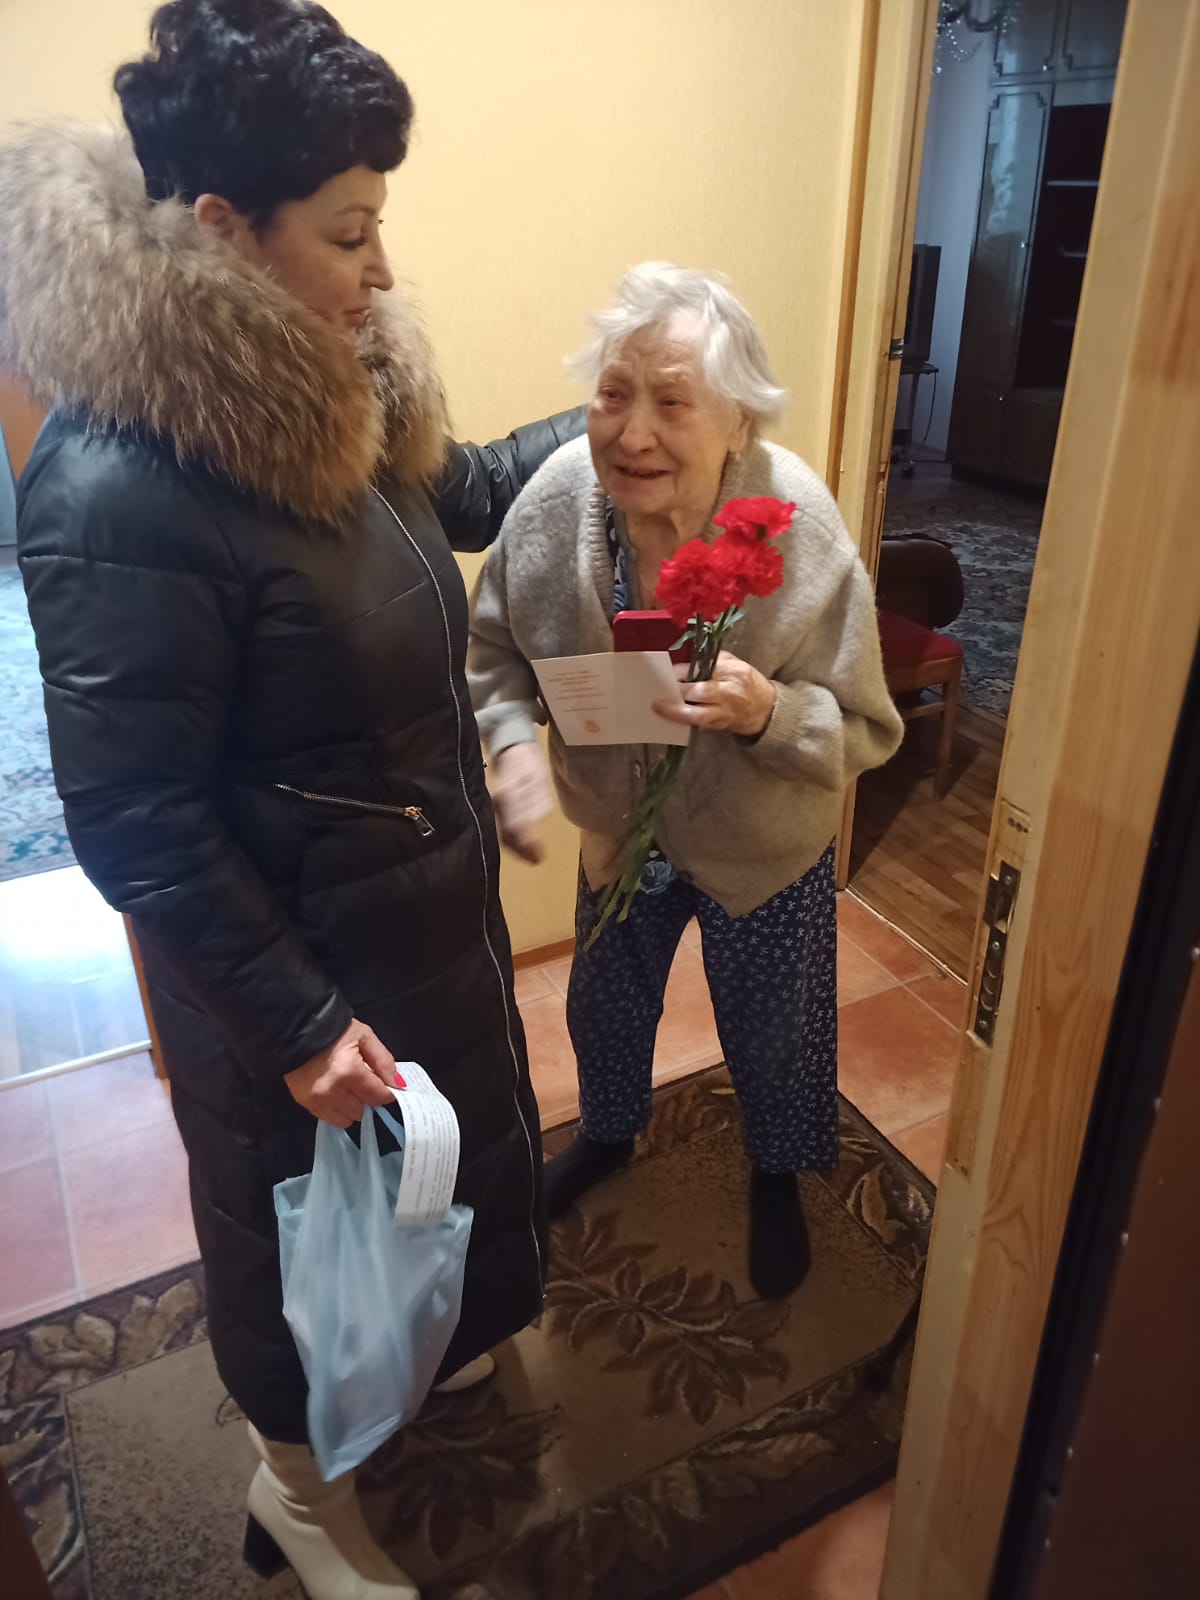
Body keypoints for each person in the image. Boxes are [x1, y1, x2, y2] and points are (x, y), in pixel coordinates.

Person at [0, 3, 584, 1596]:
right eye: (348, 231)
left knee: (414, 1206)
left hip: (411, 915)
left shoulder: (333, 374)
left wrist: (610, 415)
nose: (382, 268)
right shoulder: (116, 488)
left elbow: (461, 493)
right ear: (220, 228)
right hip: (295, 971)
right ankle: (299, 1495)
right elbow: (134, 818)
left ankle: (407, 1370)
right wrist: (300, 1021)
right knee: (293, 1242)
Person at [469, 263, 904, 1301]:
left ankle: (775, 1173)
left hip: (764, 844)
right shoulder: (557, 503)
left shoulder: (799, 526)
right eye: (612, 394)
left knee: (775, 1026)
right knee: (605, 1005)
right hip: (622, 831)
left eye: (671, 402)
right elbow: (494, 655)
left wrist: (772, 713)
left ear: (740, 420)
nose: (632, 433)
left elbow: (868, 727)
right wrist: (514, 744)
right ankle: (607, 1133)